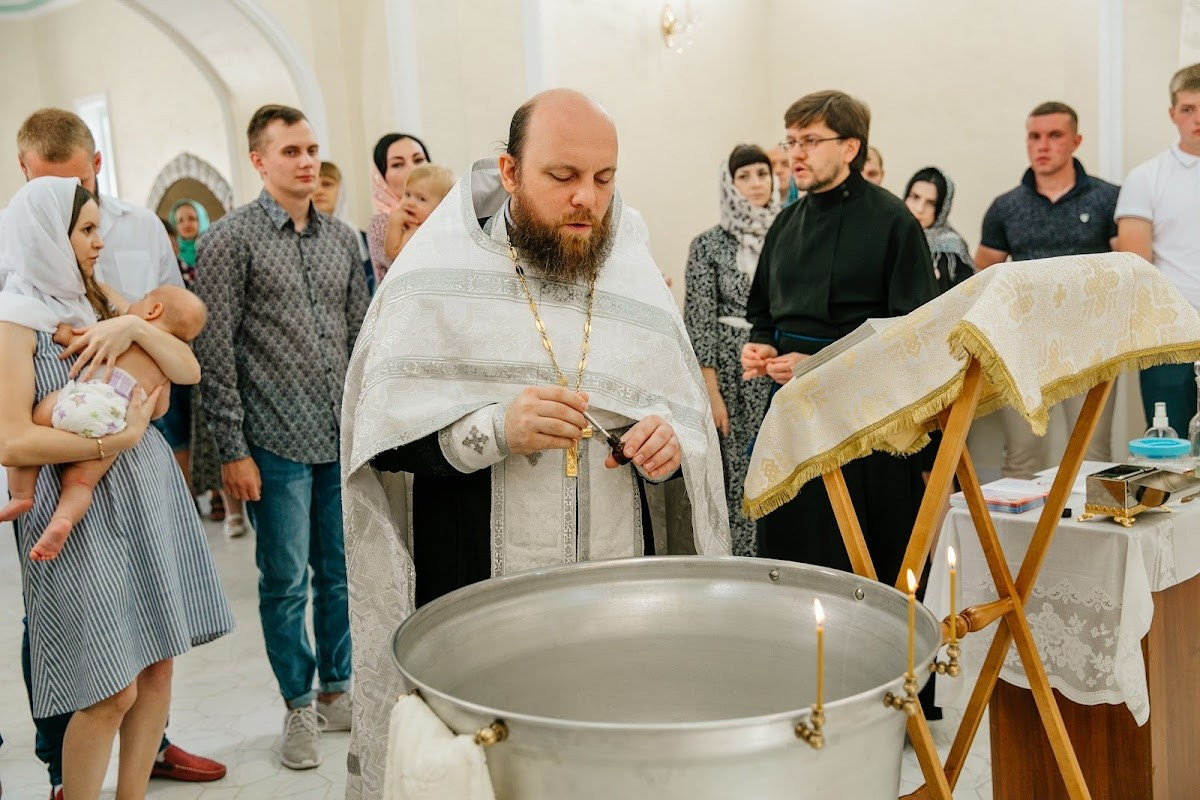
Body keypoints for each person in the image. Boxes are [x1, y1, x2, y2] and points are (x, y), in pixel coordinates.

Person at [341, 88, 730, 800]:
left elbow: (687, 423)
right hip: (476, 582)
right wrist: (496, 429)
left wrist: (669, 445)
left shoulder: (632, 270)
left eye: (604, 179)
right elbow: (381, 440)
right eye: (563, 176)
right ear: (510, 172)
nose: (588, 199)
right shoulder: (434, 273)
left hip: (619, 588)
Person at [12, 106, 228, 794]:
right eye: (85, 230)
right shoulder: (16, 317)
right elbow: (11, 437)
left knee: (157, 664)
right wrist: (123, 434)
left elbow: (185, 366)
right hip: (75, 497)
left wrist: (132, 326)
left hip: (142, 489)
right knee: (107, 687)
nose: (99, 241)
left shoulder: (99, 296)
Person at [194, 103, 370, 770]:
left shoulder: (341, 240)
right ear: (259, 160)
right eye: (291, 151)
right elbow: (215, 351)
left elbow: (359, 339)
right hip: (272, 441)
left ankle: (336, 690)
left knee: (340, 574)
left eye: (311, 149)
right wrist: (233, 449)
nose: (306, 161)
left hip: (336, 435)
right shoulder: (229, 240)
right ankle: (297, 704)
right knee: (285, 582)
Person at [742, 89, 934, 591]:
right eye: (791, 141)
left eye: (810, 140)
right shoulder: (785, 223)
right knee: (797, 554)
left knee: (866, 560)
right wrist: (762, 345)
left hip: (866, 422)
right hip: (795, 415)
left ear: (850, 148)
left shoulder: (893, 222)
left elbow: (912, 332)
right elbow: (762, 311)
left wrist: (818, 362)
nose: (795, 154)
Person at [2, 285, 206, 561]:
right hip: (114, 419)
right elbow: (159, 409)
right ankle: (63, 519)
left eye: (143, 297)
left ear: (153, 310)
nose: (134, 301)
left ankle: (22, 494)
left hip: (84, 396)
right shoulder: (164, 363)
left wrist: (64, 333)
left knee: (40, 415)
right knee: (81, 482)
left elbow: (77, 339)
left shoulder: (117, 332)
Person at [975, 101, 1120, 477]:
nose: (1042, 145)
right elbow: (984, 276)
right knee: (1021, 456)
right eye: (1034, 136)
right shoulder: (1005, 206)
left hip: (1090, 340)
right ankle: (1020, 520)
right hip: (1024, 343)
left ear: (1076, 141)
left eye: (1054, 135)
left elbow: (1127, 270)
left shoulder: (1109, 199)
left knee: (1092, 454)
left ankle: (1089, 518)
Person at [684, 145, 778, 557]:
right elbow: (699, 320)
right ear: (730, 184)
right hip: (730, 373)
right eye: (744, 176)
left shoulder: (788, 236)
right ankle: (743, 564)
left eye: (762, 173)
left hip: (777, 365)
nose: (756, 183)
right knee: (737, 471)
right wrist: (712, 393)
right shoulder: (708, 245)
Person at [1117, 63, 1200, 435]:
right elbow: (1137, 268)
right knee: (1172, 443)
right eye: (1188, 109)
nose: (1198, 119)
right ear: (1172, 114)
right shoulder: (1145, 178)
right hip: (1169, 333)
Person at [366, 132, 430, 287]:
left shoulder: (447, 212)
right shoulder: (382, 223)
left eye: (418, 160)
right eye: (397, 164)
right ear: (381, 178)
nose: (413, 169)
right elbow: (414, 268)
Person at [903, 166, 975, 293]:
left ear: (942, 209)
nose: (919, 209)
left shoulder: (952, 249)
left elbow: (966, 296)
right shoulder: (889, 235)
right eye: (915, 197)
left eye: (931, 203)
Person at [312, 160, 375, 293]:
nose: (318, 191)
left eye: (327, 184)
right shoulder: (295, 240)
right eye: (312, 185)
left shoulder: (364, 240)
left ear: (341, 190)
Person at [382, 163, 456, 264]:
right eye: (407, 194)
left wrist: (394, 223)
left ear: (441, 207)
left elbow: (393, 252)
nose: (410, 202)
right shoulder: (414, 227)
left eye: (421, 199)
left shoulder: (422, 231)